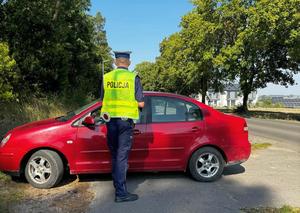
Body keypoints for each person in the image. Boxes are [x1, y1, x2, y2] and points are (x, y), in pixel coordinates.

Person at [100, 51, 144, 203]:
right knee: (121, 157)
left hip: (110, 122)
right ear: (129, 63)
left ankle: (118, 186)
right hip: (125, 123)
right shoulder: (133, 78)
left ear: (115, 61)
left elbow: (102, 100)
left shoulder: (106, 78)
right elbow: (141, 103)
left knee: (115, 155)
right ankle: (121, 193)